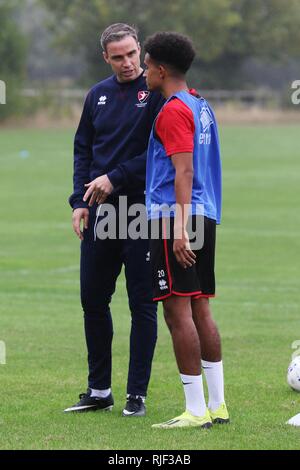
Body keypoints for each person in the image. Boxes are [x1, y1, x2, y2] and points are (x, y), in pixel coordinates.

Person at [65, 23, 164, 416]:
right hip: (101, 214)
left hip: (140, 211)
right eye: (118, 56)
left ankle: (135, 395)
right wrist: (79, 201)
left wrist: (116, 177)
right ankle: (99, 390)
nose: (127, 62)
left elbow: (160, 154)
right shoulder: (97, 95)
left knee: (142, 305)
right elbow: (82, 150)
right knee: (93, 300)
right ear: (105, 58)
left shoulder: (156, 94)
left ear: (141, 50)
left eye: (132, 54)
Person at [143, 32, 229, 428]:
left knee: (177, 312)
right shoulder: (202, 104)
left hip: (176, 218)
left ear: (161, 70)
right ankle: (217, 405)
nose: (143, 72)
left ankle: (195, 412)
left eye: (146, 65)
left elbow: (184, 171)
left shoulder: (174, 110)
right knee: (200, 307)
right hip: (205, 214)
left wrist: (178, 229)